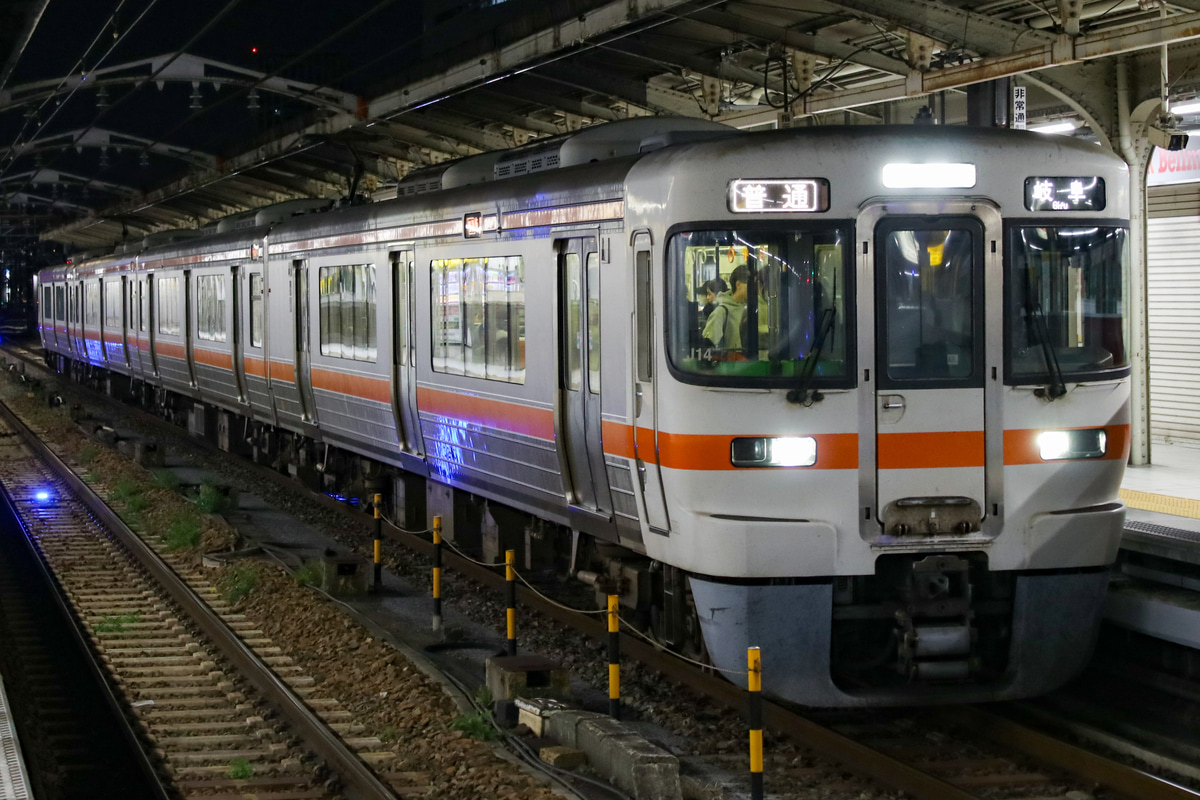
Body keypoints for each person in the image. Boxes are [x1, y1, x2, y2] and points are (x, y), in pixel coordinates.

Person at [702, 265, 749, 351]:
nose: (754, 288)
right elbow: (708, 346)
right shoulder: (722, 311)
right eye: (749, 284)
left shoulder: (751, 309)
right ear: (738, 284)